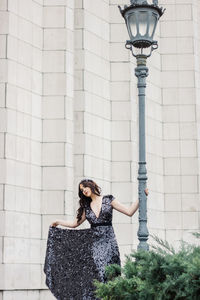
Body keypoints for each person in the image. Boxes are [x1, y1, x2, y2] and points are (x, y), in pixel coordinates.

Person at [43, 178, 149, 300]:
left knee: (110, 274)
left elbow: (129, 212)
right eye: (81, 190)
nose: (84, 191)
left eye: (85, 187)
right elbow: (74, 224)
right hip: (94, 245)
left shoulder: (109, 200)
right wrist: (58, 222)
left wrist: (142, 196)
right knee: (98, 275)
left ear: (91, 185)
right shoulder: (86, 207)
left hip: (109, 244)